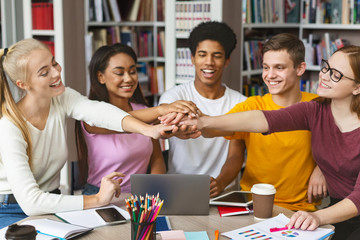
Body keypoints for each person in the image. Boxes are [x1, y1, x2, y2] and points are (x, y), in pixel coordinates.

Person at [0, 39, 196, 228]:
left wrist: (149, 130)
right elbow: (31, 203)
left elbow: (100, 112)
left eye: (54, 63)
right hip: (12, 207)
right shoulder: (10, 127)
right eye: (44, 72)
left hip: (52, 201)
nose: (56, 73)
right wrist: (98, 199)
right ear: (23, 84)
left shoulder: (61, 98)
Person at [184, 45, 360, 240]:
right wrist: (204, 121)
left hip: (352, 208)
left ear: (357, 87)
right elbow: (264, 119)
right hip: (337, 207)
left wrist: (316, 216)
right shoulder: (316, 110)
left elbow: (358, 199)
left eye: (336, 74)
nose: (324, 76)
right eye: (326, 67)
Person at [211, 33, 327, 211]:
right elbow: (212, 130)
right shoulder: (251, 105)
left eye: (279, 67)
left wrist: (322, 169)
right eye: (266, 67)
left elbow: (343, 147)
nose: (270, 75)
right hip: (252, 205)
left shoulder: (320, 106)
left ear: (300, 68)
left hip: (300, 209)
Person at [158, 21, 247, 186]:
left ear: (227, 60)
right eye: (202, 54)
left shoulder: (240, 102)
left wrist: (220, 183)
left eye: (217, 55)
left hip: (223, 192)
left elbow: (236, 154)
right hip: (179, 188)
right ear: (192, 58)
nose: (209, 62)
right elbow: (166, 130)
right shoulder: (174, 97)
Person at [75, 43, 170, 195]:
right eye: (119, 73)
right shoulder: (91, 116)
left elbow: (157, 159)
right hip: (99, 195)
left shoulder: (144, 112)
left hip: (139, 198)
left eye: (133, 71)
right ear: (100, 77)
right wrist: (161, 110)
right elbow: (118, 120)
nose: (128, 78)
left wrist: (153, 194)